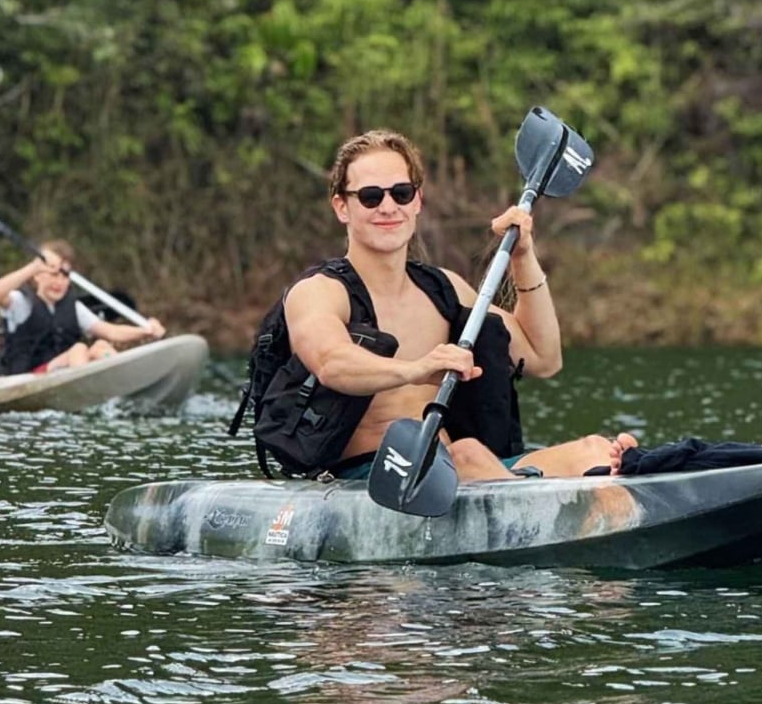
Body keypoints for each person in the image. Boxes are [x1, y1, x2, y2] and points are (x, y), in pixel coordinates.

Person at [266, 128, 626, 482]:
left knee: (594, 451)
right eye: (371, 196)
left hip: (462, 472)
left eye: (402, 193)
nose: (389, 207)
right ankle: (525, 504)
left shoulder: (444, 289)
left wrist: (523, 256)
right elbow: (332, 363)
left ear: (417, 201)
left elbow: (543, 358)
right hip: (372, 477)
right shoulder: (319, 292)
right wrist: (419, 369)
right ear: (342, 207)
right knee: (467, 455)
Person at [0, 239, 165, 381]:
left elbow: (112, 331)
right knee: (79, 349)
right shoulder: (21, 303)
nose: (59, 283)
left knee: (101, 347)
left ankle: (124, 384)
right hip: (27, 376)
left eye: (64, 277)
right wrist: (34, 267)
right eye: (53, 275)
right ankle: (83, 387)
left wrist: (146, 330)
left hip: (60, 373)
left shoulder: (73, 307)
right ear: (38, 276)